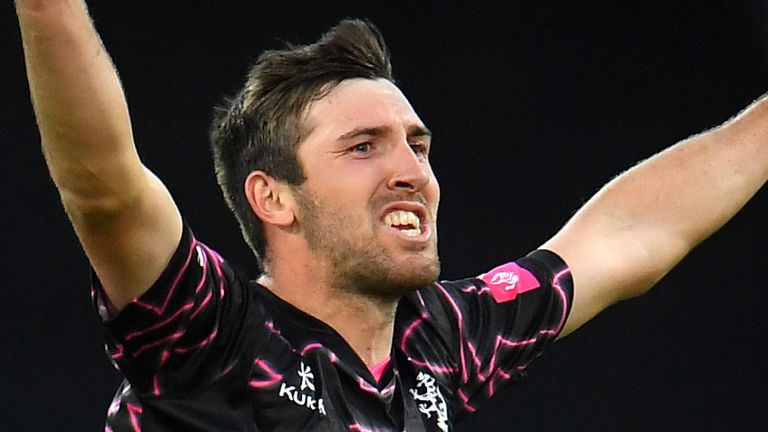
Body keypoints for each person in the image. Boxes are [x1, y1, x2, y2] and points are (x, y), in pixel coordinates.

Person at [15, 1, 767, 431]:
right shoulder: (211, 337)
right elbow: (105, 190)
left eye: (418, 145)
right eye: (363, 148)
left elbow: (630, 235)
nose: (412, 172)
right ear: (272, 197)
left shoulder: (441, 343)